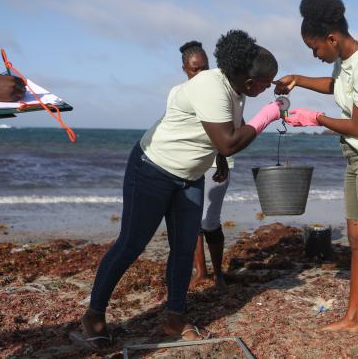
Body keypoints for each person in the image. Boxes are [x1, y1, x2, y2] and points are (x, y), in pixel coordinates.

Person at [78, 30, 283, 349]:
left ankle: (174, 317)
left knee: (184, 248)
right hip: (153, 168)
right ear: (245, 79)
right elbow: (228, 142)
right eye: (265, 82)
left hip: (190, 176)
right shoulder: (210, 87)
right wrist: (270, 114)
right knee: (131, 244)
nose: (268, 86)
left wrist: (219, 159)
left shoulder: (237, 90)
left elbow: (220, 134)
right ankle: (93, 315)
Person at [275, 0, 358, 358]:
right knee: (357, 241)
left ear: (332, 38)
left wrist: (315, 119)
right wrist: (298, 80)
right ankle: (354, 316)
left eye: (314, 48)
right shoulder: (344, 62)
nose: (315, 54)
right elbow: (335, 87)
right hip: (356, 160)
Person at [178, 40, 230, 289]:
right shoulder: (182, 93)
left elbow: (232, 130)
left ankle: (218, 272)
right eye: (194, 69)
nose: (200, 74)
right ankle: (201, 272)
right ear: (184, 69)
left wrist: (223, 158)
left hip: (218, 163)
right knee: (191, 219)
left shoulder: (220, 91)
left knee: (210, 221)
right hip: (190, 163)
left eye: (204, 68)